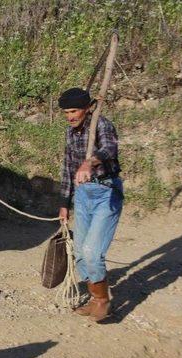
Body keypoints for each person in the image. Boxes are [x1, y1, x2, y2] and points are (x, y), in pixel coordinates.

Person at [58, 87, 123, 323]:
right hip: (82, 196)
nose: (70, 116)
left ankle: (104, 300)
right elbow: (67, 168)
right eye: (66, 112)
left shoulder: (102, 125)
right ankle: (95, 299)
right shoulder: (70, 133)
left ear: (87, 109)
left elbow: (109, 149)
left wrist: (89, 163)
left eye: (74, 111)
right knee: (79, 254)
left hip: (106, 193)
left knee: (92, 252)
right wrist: (64, 203)